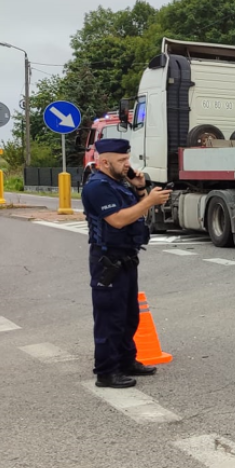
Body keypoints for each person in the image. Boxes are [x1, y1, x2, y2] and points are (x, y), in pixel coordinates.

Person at [81, 138, 171, 388]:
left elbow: (137, 212)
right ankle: (107, 372)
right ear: (104, 161)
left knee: (129, 315)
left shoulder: (119, 185)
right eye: (121, 161)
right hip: (107, 259)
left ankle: (126, 360)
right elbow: (118, 220)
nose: (126, 165)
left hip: (126, 257)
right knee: (110, 317)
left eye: (127, 159)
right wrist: (149, 200)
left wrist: (140, 189)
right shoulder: (98, 187)